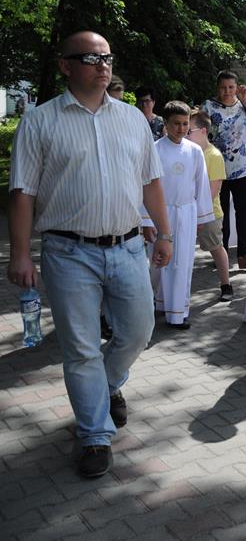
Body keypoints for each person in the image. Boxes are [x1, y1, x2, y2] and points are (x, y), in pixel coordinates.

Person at [7, 31, 172, 478]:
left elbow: (151, 181)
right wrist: (20, 254)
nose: (103, 65)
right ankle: (95, 435)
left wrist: (165, 234)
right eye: (90, 58)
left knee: (138, 331)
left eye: (107, 58)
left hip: (127, 247)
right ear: (65, 66)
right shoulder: (40, 122)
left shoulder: (133, 119)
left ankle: (107, 385)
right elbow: (23, 193)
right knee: (80, 348)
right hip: (67, 252)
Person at [146, 101, 215, 330]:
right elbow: (146, 185)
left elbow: (201, 184)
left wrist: (202, 217)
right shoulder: (155, 149)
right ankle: (155, 303)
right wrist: (146, 220)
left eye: (185, 124)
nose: (181, 128)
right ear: (165, 124)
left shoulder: (194, 151)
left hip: (186, 212)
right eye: (176, 124)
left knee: (182, 263)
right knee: (157, 263)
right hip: (160, 213)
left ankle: (177, 313)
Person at [201, 71, 246, 269]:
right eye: (223, 87)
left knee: (245, 211)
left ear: (237, 87)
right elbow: (200, 131)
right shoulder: (208, 106)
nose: (227, 91)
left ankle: (245, 253)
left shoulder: (244, 104)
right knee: (220, 212)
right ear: (217, 88)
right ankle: (220, 253)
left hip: (244, 167)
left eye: (231, 87)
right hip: (217, 169)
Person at [187, 111, 233, 301]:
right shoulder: (189, 151)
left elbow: (212, 191)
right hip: (188, 211)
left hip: (209, 213)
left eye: (189, 130)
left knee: (216, 248)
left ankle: (226, 285)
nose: (186, 134)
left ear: (203, 131)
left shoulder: (214, 155)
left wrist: (199, 215)